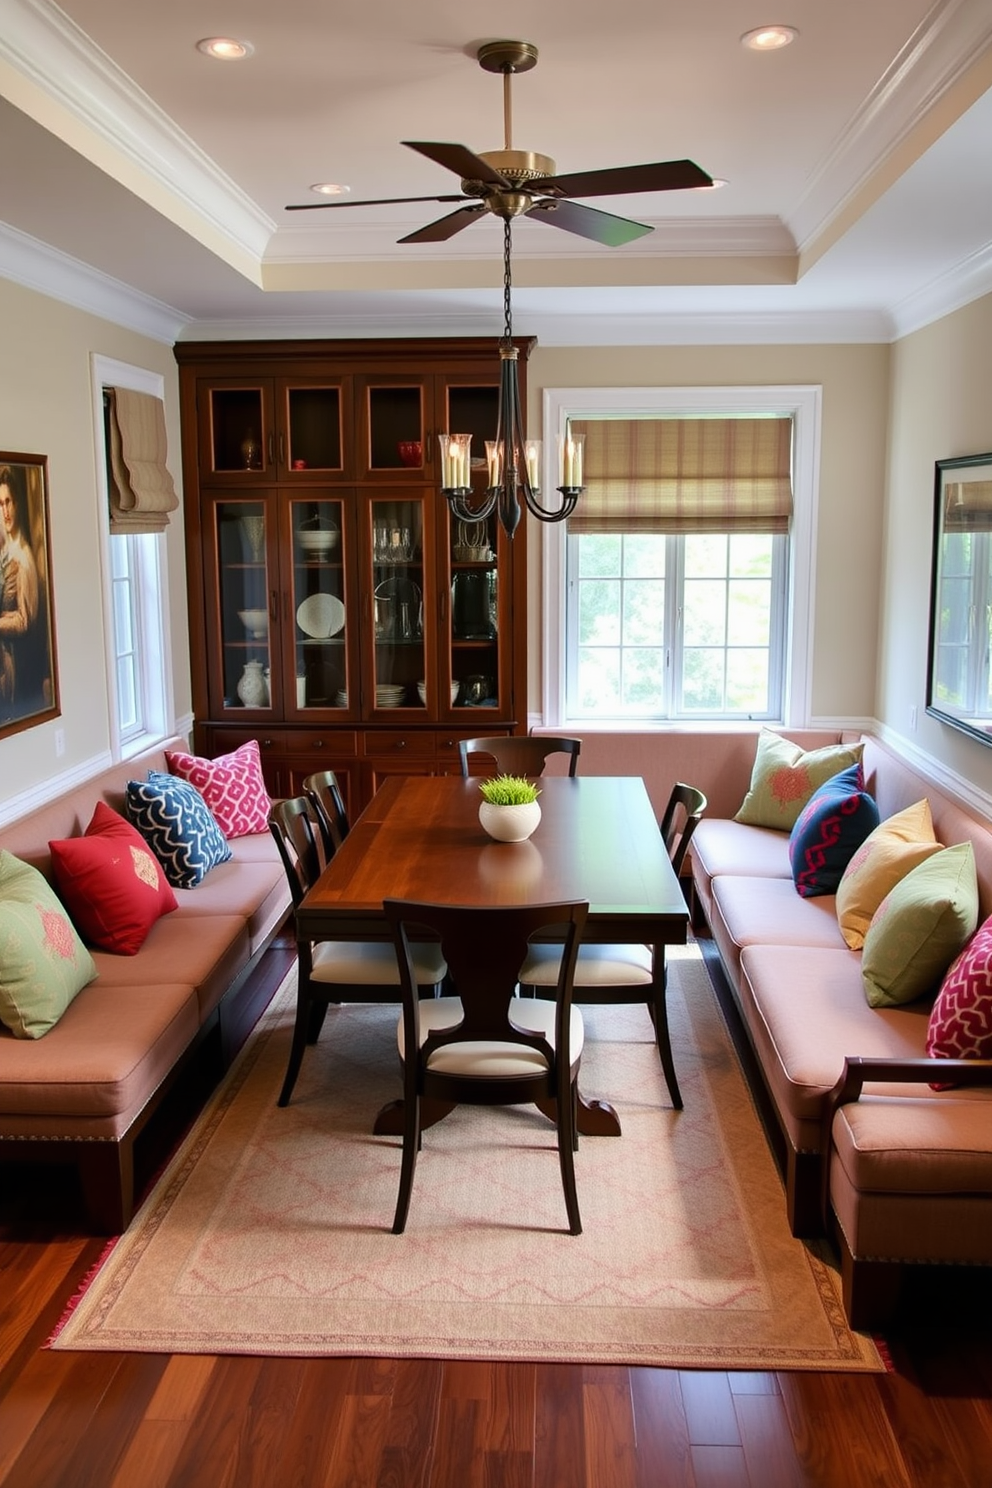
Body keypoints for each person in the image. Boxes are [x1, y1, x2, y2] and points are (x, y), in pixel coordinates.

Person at [0, 465, 41, 715]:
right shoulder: (5, 552)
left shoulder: (24, 559)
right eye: (0, 504)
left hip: (17, 665)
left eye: (8, 502)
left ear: (17, 504)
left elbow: (26, 620)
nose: (5, 511)